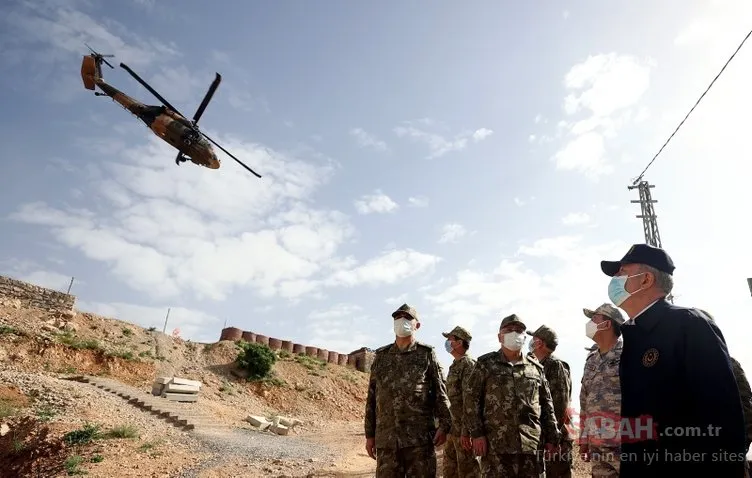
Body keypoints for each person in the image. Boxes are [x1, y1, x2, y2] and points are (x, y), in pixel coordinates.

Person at [600, 243, 747, 476]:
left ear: (646, 280)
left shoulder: (690, 324)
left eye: (622, 273)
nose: (615, 280)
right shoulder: (635, 336)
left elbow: (723, 419)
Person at [464, 313, 560, 477]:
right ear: (499, 336)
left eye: (519, 330)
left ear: (524, 337)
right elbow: (471, 399)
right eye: (509, 329)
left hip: (530, 446)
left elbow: (546, 405)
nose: (514, 333)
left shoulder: (535, 368)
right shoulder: (485, 364)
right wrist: (477, 434)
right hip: (496, 447)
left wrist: (553, 438)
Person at [364, 303, 452, 477]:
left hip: (419, 441)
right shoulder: (381, 356)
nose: (401, 321)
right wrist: (369, 435)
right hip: (387, 441)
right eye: (397, 318)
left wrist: (444, 425)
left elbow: (440, 393)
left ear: (416, 325)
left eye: (407, 318)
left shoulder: (426, 354)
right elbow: (372, 398)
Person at [579, 303, 625, 477]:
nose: (589, 323)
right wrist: (584, 438)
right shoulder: (591, 360)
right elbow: (584, 401)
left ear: (607, 324)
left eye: (594, 319)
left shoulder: (629, 355)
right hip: (598, 445)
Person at [527, 325, 574, 478]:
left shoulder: (555, 365)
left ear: (540, 343)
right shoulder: (534, 366)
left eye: (533, 339)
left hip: (556, 439)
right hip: (542, 437)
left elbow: (560, 405)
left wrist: (553, 439)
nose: (531, 342)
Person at [442, 325, 481, 478]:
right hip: (453, 431)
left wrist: (467, 431)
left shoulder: (469, 364)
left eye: (450, 339)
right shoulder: (454, 365)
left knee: (468, 472)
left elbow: (470, 401)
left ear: (459, 342)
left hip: (464, 433)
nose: (447, 342)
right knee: (450, 472)